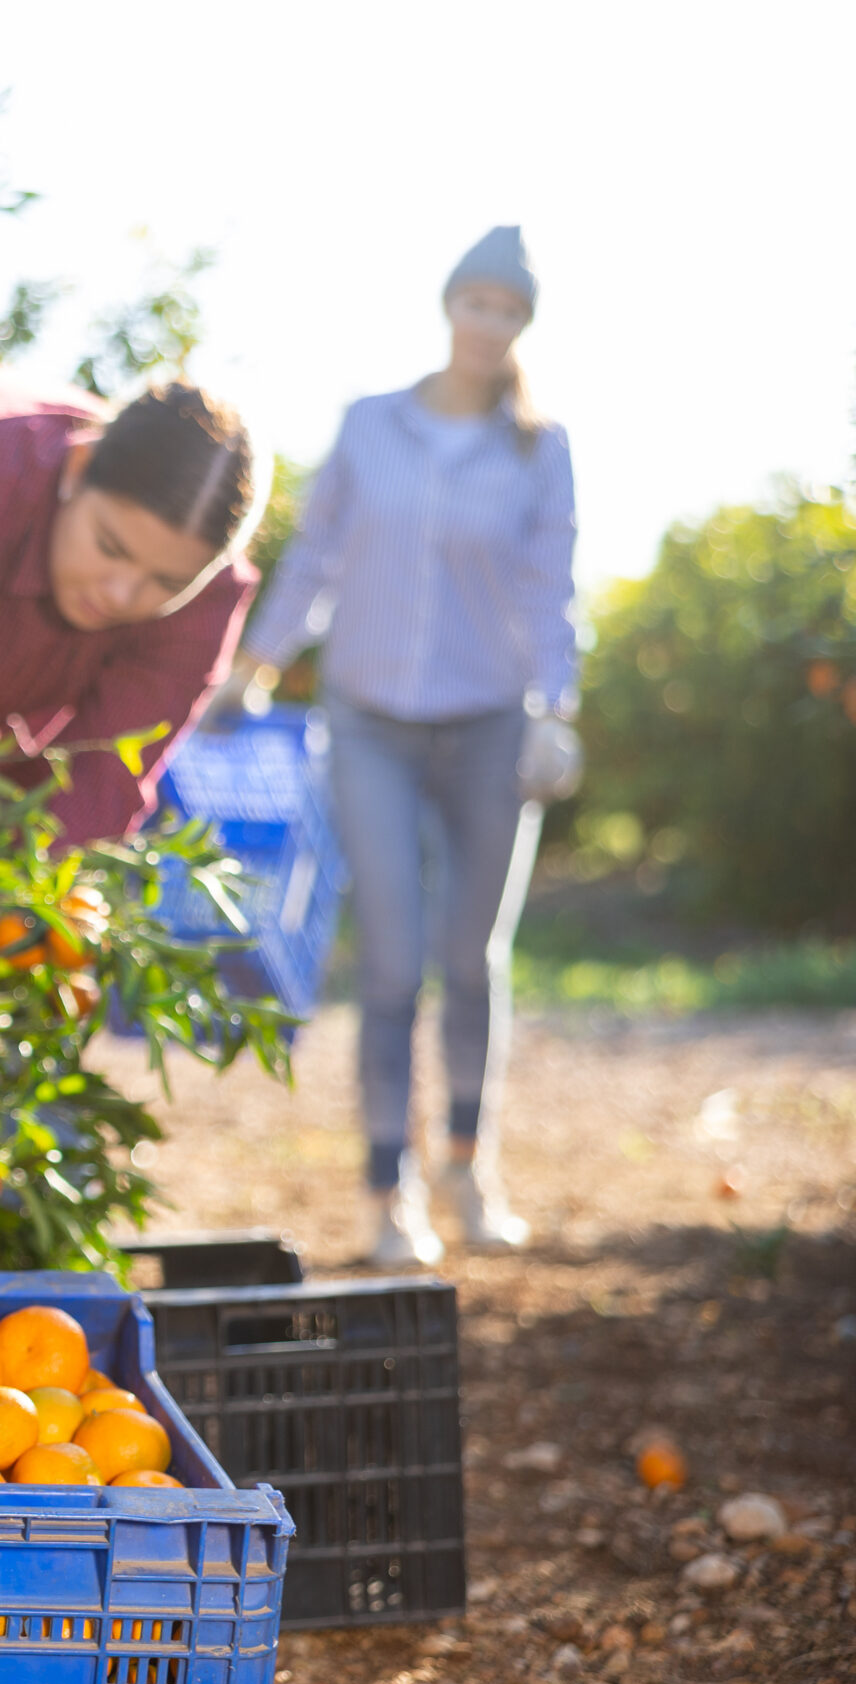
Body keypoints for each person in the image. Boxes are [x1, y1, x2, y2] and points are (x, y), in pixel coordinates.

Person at [214, 224, 578, 1268]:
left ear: (520, 325)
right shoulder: (371, 426)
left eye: (507, 311)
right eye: (475, 302)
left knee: (471, 957)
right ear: (450, 307)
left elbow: (550, 585)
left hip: (487, 723)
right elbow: (315, 554)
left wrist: (557, 707)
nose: (487, 323)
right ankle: (389, 1192)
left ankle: (467, 1164)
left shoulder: (536, 446)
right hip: (368, 720)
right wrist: (258, 662)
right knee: (390, 961)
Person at [0, 368, 272, 1005]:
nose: (121, 594)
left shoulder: (207, 599)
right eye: (109, 547)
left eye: (165, 584)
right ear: (77, 468)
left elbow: (101, 785)